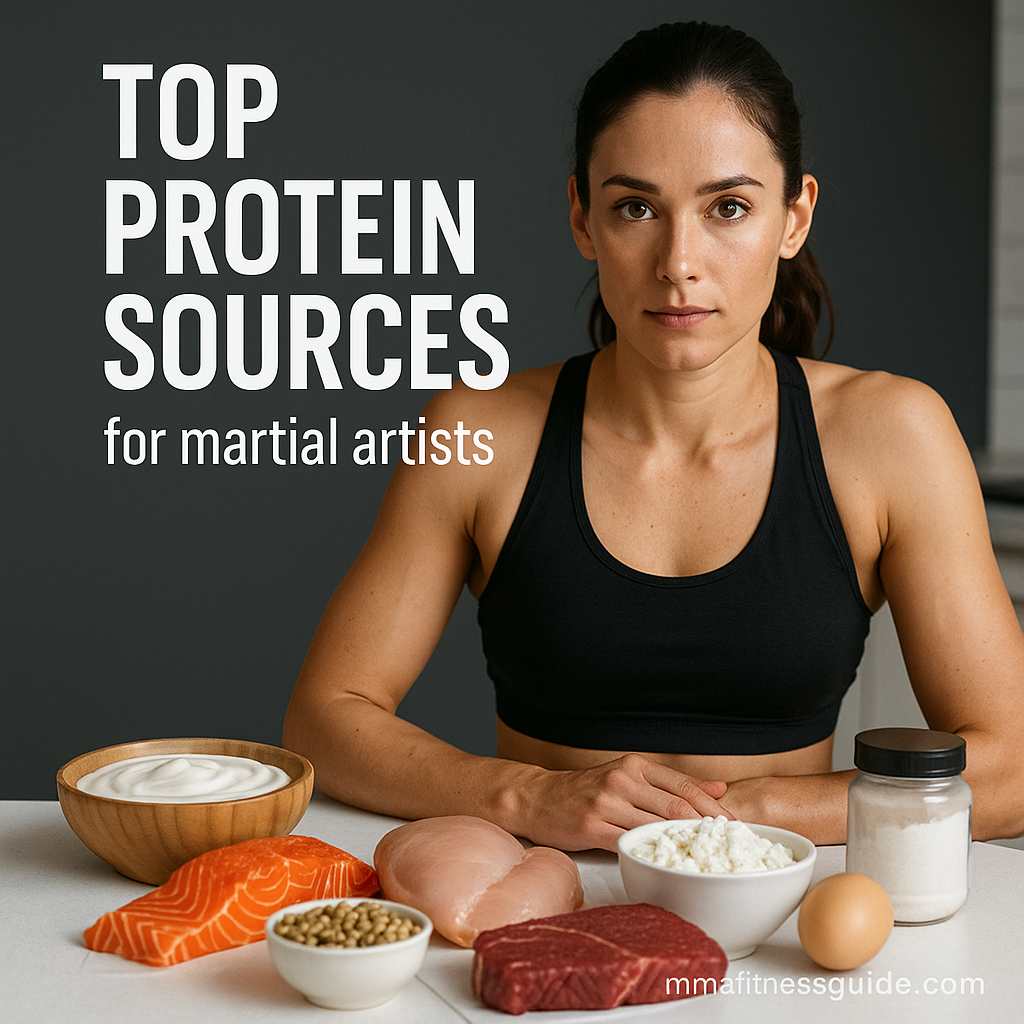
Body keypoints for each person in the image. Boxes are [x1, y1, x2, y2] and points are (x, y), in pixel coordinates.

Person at [283, 22, 1024, 850]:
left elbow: (1015, 769)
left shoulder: (894, 436)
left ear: (794, 217)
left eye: (729, 208)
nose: (678, 260)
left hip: (780, 911)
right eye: (636, 207)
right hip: (535, 900)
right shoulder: (479, 428)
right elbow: (323, 718)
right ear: (581, 217)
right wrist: (528, 798)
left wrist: (751, 813)